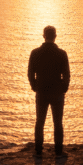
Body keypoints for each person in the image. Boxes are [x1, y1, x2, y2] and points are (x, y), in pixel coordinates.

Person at [28, 25, 70, 157]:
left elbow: (30, 73)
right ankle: (58, 150)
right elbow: (66, 75)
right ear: (55, 36)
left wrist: (34, 86)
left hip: (41, 91)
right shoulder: (62, 54)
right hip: (57, 92)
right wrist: (63, 88)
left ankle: (38, 149)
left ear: (44, 36)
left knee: (40, 121)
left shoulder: (35, 53)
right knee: (58, 122)